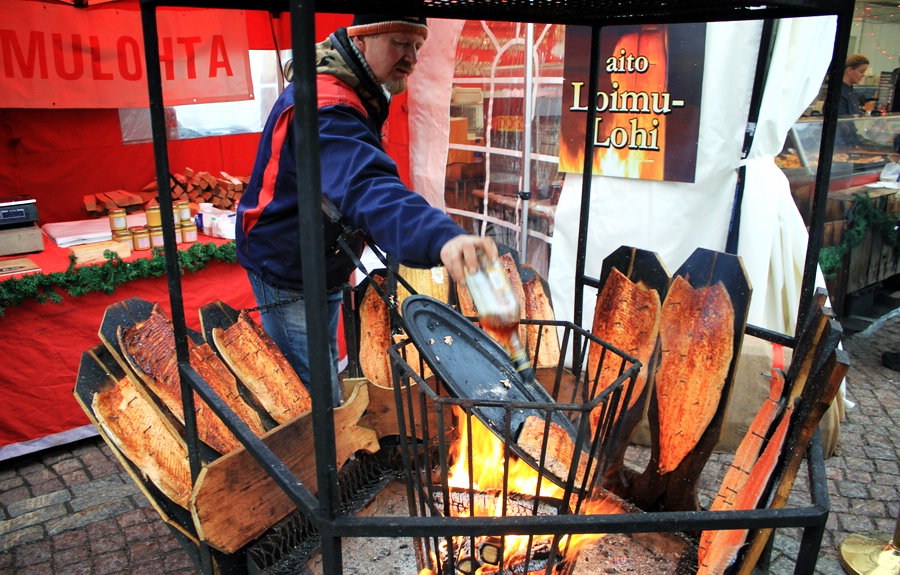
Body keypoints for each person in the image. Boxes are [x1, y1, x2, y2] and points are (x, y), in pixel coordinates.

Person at [236, 15, 497, 406]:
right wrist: (442, 237)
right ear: (360, 40)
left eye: (416, 47)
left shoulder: (354, 88)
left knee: (321, 362)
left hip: (320, 255)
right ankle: (317, 462)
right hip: (289, 264)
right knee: (311, 396)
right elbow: (368, 187)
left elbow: (355, 185)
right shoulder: (327, 106)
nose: (410, 57)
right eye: (398, 43)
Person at [836, 53, 870, 149]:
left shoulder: (851, 91)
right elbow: (842, 123)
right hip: (840, 144)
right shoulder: (839, 92)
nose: (863, 75)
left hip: (849, 142)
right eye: (861, 71)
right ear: (849, 70)